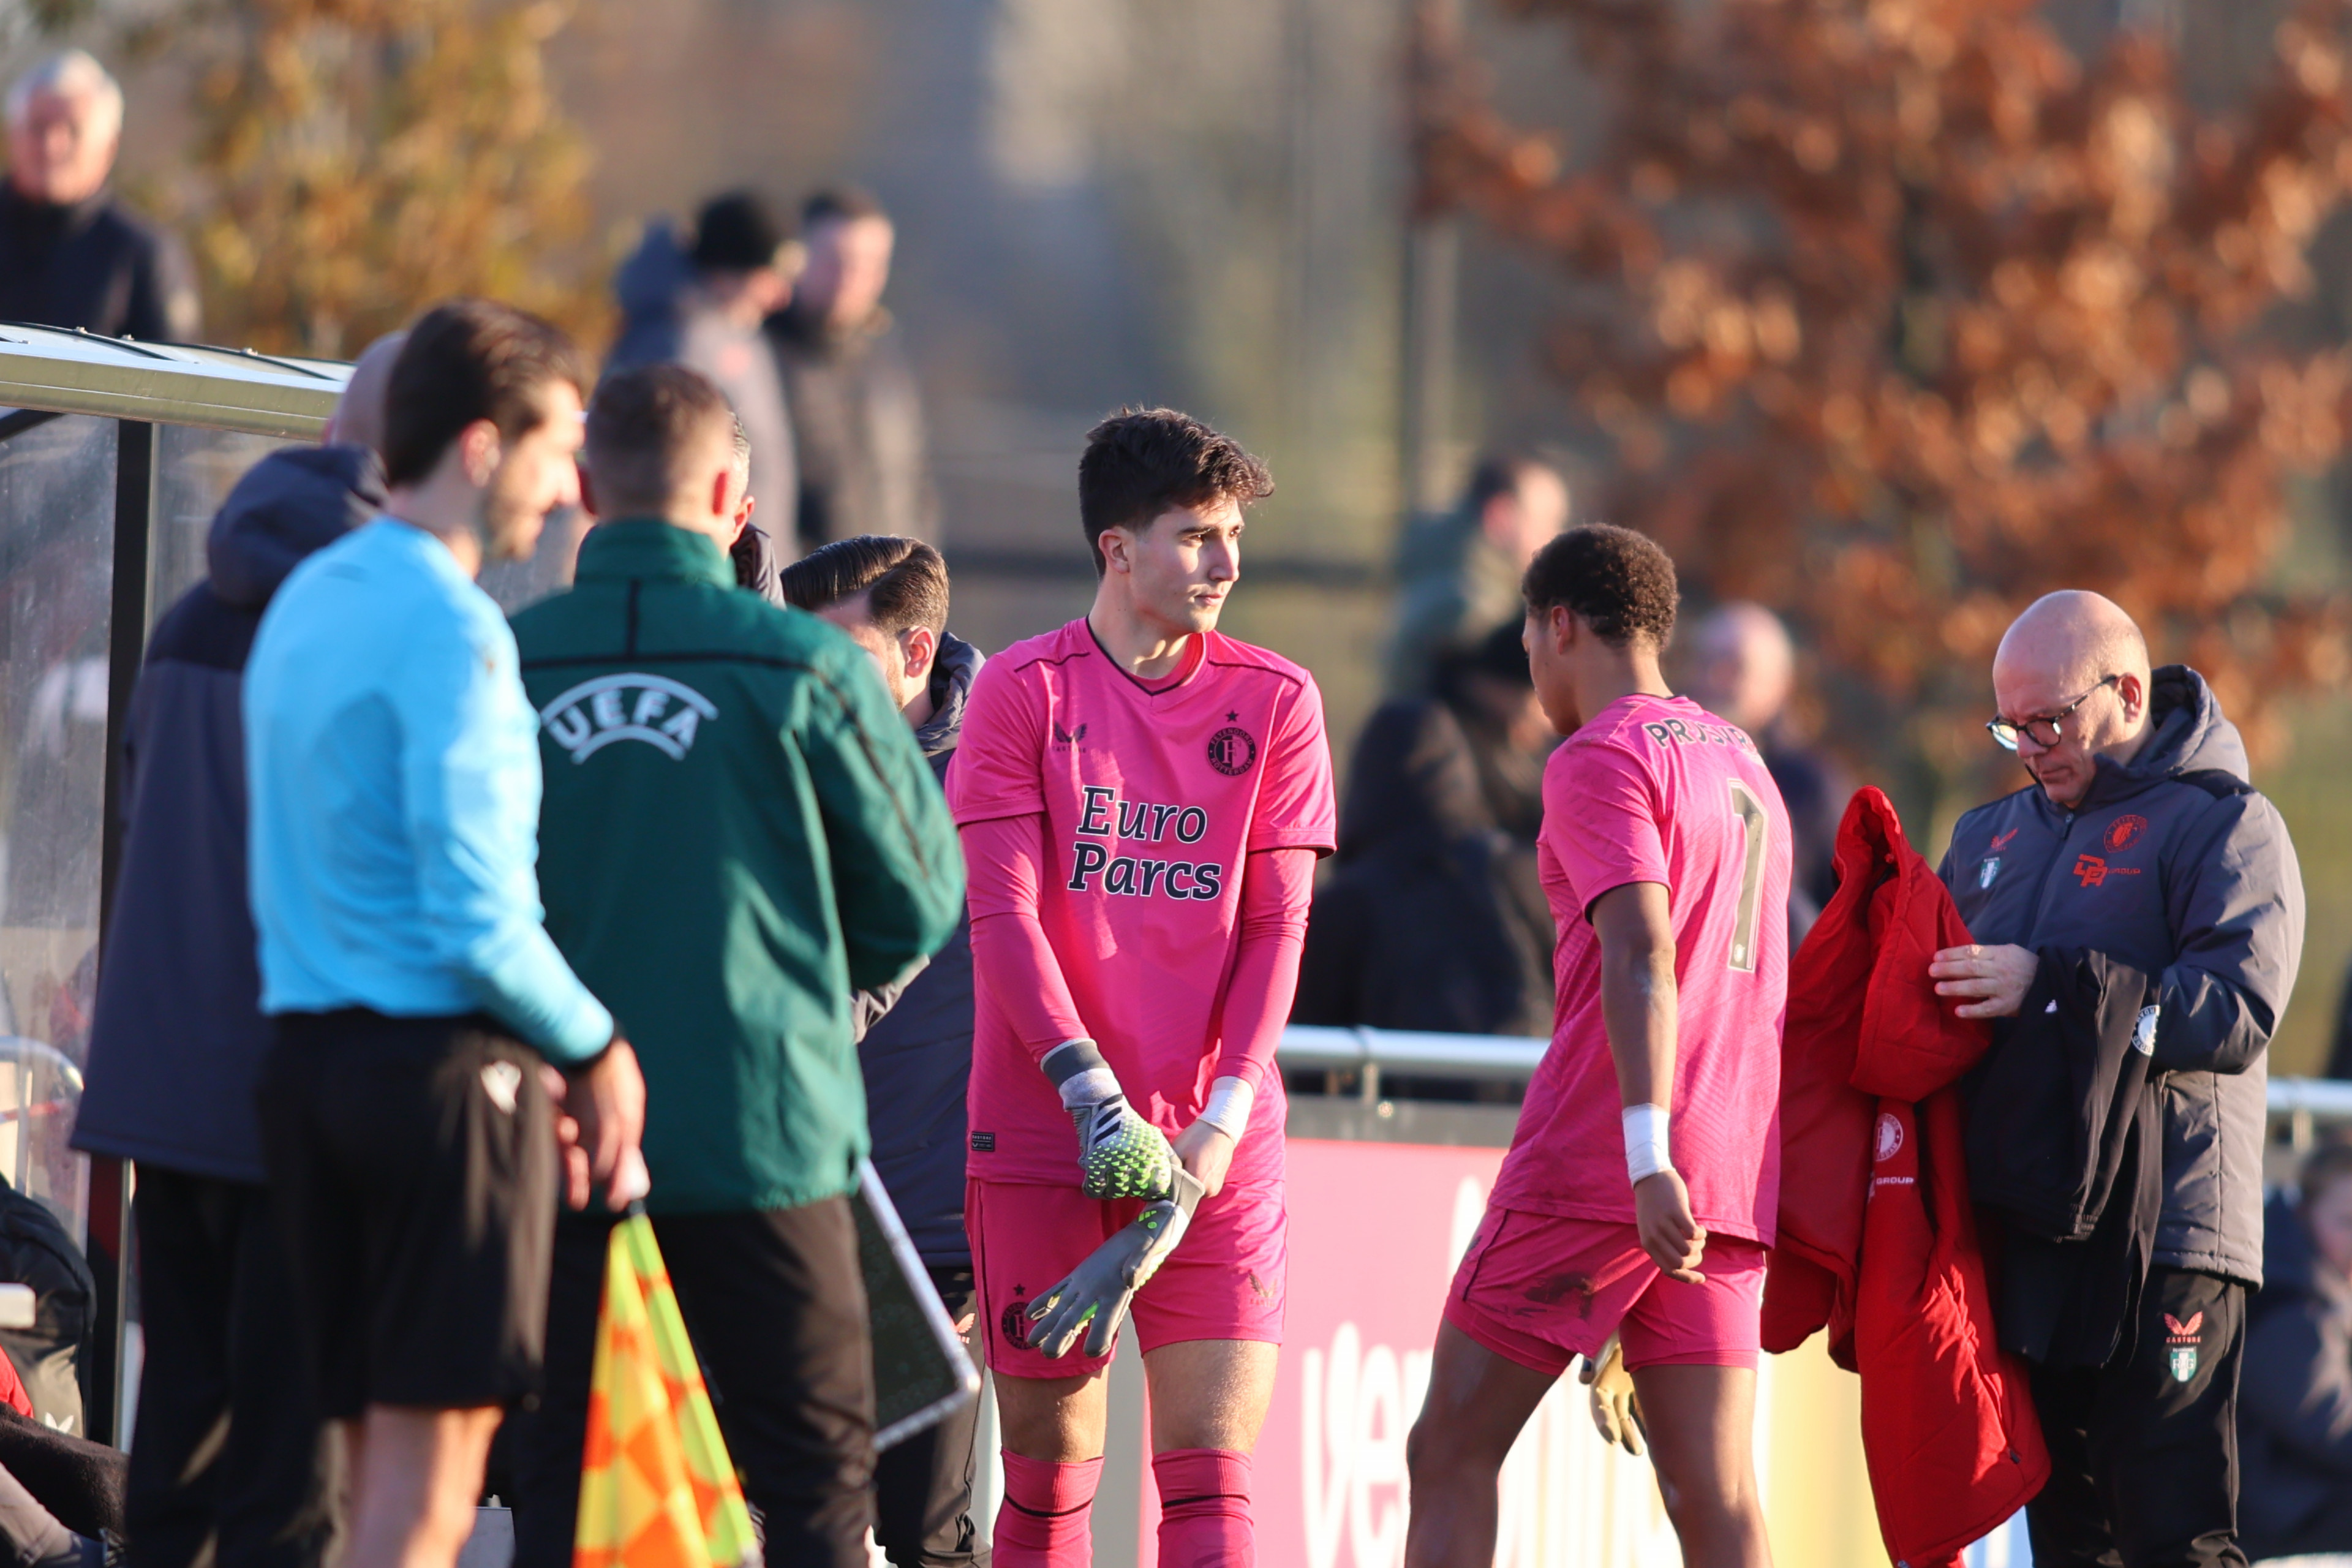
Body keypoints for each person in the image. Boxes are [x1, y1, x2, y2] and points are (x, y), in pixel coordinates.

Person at [508, 369, 963, 1568]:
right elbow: (922, 891)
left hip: (560, 1151)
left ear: (588, 488)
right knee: (818, 1478)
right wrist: (804, 992)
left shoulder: (504, 661)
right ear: (731, 495)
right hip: (770, 1135)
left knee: (567, 1471)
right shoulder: (802, 667)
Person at [244, 301, 647, 1568]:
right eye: (553, 444)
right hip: (435, 1083)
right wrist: (595, 1042)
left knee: (368, 1473)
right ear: (481, 448)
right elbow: (476, 913)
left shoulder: (306, 598)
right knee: (427, 1496)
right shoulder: (455, 623)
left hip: (305, 1069)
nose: (570, 482)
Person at [948, 407, 1333, 1565]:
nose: (1224, 564)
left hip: (1215, 1146)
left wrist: (1218, 1118)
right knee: (1051, 1493)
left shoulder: (1278, 700)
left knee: (1213, 1490)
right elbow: (1002, 919)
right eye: (1194, 536)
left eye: (1232, 536)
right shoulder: (1022, 693)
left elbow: (1279, 925)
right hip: (1046, 1136)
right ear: (1117, 550)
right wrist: (1088, 1094)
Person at [70, 333, 405, 1568]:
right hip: (308, 1094)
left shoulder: (187, 617)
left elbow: (131, 823)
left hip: (167, 1088)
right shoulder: (396, 619)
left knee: (177, 1456)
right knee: (292, 1482)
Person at [1403, 524, 1790, 1568]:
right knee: (1716, 1498)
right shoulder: (1745, 758)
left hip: (1607, 1165)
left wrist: (1643, 1152)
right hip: (1724, 1174)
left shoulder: (1599, 755)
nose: (1532, 667)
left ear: (1558, 625)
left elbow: (1643, 954)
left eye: (1531, 639)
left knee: (1448, 1451)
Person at [1931, 590, 2304, 1568]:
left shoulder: (2229, 824)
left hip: (2173, 1228)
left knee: (2174, 1539)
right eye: (2009, 724)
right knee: (2067, 1546)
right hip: (2036, 1227)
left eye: (2049, 719)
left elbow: (2236, 1012)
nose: (2029, 746)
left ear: (2128, 693)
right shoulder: (1986, 838)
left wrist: (2050, 991)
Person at [778, 535, 987, 1567]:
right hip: (786, 1205)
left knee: (925, 1534)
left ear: (918, 653)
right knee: (780, 1519)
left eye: (836, 661)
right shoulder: (777, 754)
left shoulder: (1013, 762)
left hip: (937, 1233)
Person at [1292, 698, 1553, 1040]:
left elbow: (1313, 1038)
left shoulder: (1345, 901)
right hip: (1522, 1080)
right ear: (1461, 770)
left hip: (1387, 1088)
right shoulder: (1519, 871)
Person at [608, 190, 799, 571]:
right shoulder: (674, 342)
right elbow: (661, 467)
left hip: (746, 560)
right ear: (726, 272)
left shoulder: (734, 331)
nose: (781, 297)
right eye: (769, 277)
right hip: (703, 568)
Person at [766, 187, 934, 548]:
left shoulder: (886, 364)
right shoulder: (761, 358)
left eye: (870, 264)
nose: (851, 278)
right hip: (794, 594)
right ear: (797, 258)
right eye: (835, 260)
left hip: (887, 592)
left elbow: (915, 481)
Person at [0, 51, 198, 341]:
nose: (52, 145)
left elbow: (174, 378)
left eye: (73, 131)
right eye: (38, 127)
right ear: (12, 135)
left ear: (108, 148)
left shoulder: (143, 255)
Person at [1683, 601, 1849, 930]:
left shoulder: (1811, 785)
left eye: (1735, 665)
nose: (1715, 678)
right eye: (1706, 662)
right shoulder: (1665, 768)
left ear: (1779, 684)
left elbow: (1845, 906)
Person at [2238, 1140, 2352, 1562]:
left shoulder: (2317, 1282)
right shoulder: (2287, 1297)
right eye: (2346, 1221)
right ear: (2305, 1209)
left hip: (2292, 1494)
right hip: (2276, 1506)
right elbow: (2326, 1423)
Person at [1387, 453, 1569, 696]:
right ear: (1500, 517)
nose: (1555, 539)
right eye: (1546, 522)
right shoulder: (1472, 609)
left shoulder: (1433, 579)